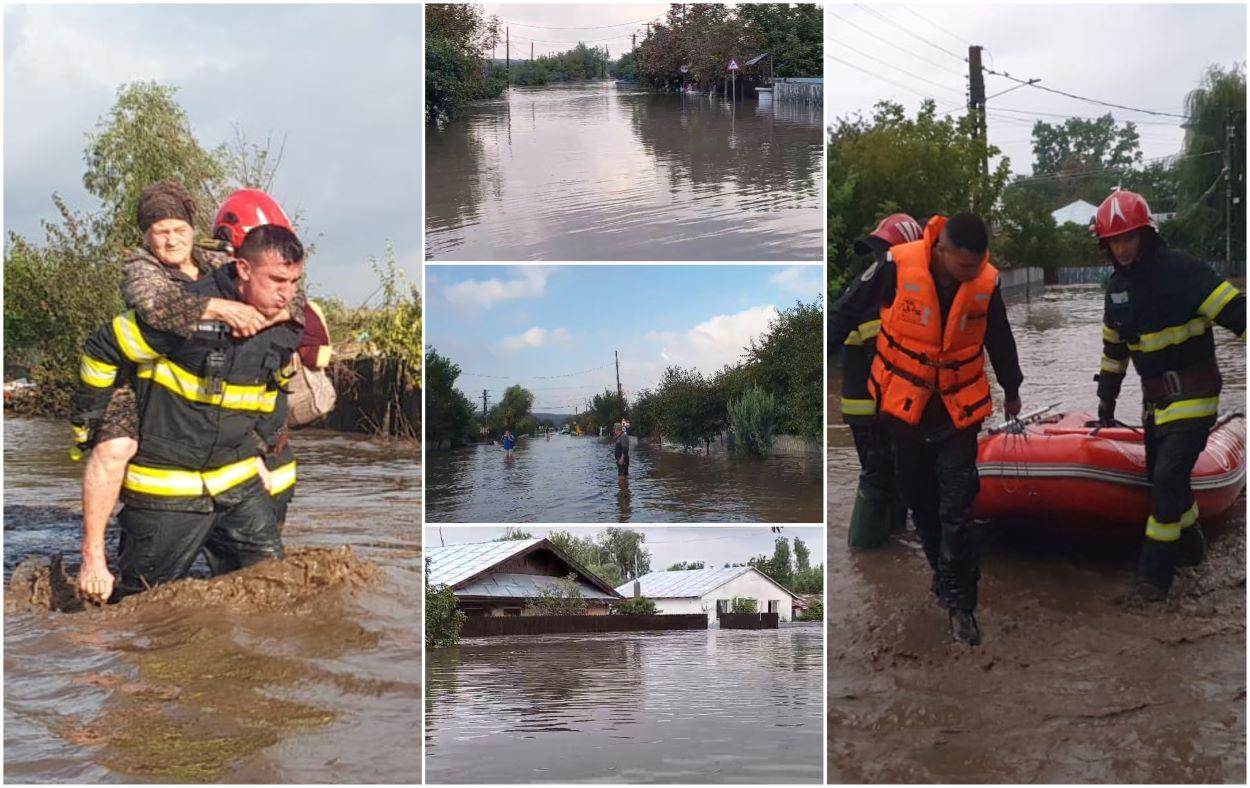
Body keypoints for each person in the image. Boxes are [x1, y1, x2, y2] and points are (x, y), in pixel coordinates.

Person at [77, 184, 304, 602]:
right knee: (114, 449)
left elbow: (283, 292)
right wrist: (88, 421)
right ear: (146, 235)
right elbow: (129, 328)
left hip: (230, 474)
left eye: (179, 229)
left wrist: (260, 449)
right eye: (160, 231)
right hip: (140, 391)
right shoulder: (144, 271)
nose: (171, 239)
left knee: (274, 594)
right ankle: (93, 558)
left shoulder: (222, 264)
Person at [830, 213, 1024, 646]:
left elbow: (1000, 338)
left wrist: (1012, 388)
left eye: (977, 267)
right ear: (940, 251)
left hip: (957, 414)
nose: (969, 275)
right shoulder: (894, 268)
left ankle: (962, 608)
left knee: (958, 509)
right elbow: (843, 314)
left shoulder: (985, 284)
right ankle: (943, 578)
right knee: (922, 507)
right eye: (962, 267)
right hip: (903, 413)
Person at [1092, 190, 1246, 603]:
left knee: (1166, 479)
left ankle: (1151, 582)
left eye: (1129, 238)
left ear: (1146, 234)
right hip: (1155, 403)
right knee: (1165, 480)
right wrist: (1105, 403)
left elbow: (1238, 315)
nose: (1122, 248)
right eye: (1114, 241)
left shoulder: (1183, 272)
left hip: (1195, 395)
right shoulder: (1116, 291)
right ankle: (1193, 549)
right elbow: (1113, 354)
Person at [834, 213, 924, 548]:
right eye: (877, 252)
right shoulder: (877, 294)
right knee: (878, 474)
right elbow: (885, 357)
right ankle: (865, 547)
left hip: (874, 406)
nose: (879, 259)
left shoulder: (872, 289)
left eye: (884, 251)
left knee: (893, 473)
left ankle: (893, 538)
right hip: (872, 408)